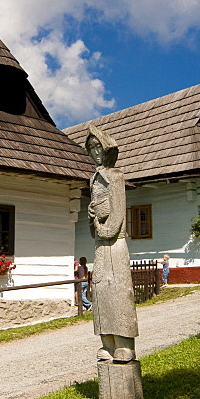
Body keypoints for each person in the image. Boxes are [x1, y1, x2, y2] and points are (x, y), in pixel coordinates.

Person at [86, 126, 138, 362]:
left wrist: (103, 226)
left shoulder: (115, 177)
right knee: (101, 293)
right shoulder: (93, 178)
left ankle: (124, 343)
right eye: (91, 148)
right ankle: (106, 342)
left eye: (99, 147)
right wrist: (92, 215)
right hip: (100, 246)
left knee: (118, 292)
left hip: (114, 244)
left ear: (108, 150)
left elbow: (117, 214)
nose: (96, 152)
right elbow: (97, 210)